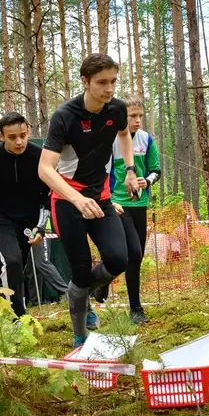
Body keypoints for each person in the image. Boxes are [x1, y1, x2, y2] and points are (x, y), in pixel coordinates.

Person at [38, 54, 140, 346]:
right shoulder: (65, 116)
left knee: (119, 258)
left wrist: (130, 170)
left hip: (102, 199)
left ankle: (78, 292)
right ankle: (80, 335)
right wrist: (77, 198)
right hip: (68, 201)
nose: (109, 89)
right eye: (102, 83)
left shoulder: (117, 108)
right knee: (81, 271)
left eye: (113, 82)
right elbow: (45, 169)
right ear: (85, 81)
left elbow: (123, 135)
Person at [0, 112, 61, 317]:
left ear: (28, 132)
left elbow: (48, 194)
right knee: (12, 261)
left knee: (19, 266)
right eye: (12, 137)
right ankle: (16, 317)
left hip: (29, 219)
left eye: (23, 135)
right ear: (1, 136)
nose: (19, 141)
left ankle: (11, 306)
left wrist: (41, 226)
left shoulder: (39, 156)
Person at [92, 93, 161, 324]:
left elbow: (155, 169)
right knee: (133, 252)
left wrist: (147, 181)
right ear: (123, 116)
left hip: (139, 203)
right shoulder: (111, 139)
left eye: (140, 116)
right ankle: (136, 308)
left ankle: (105, 283)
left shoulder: (146, 139)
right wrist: (108, 200)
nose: (138, 120)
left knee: (136, 257)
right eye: (133, 116)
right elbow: (101, 171)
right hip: (116, 205)